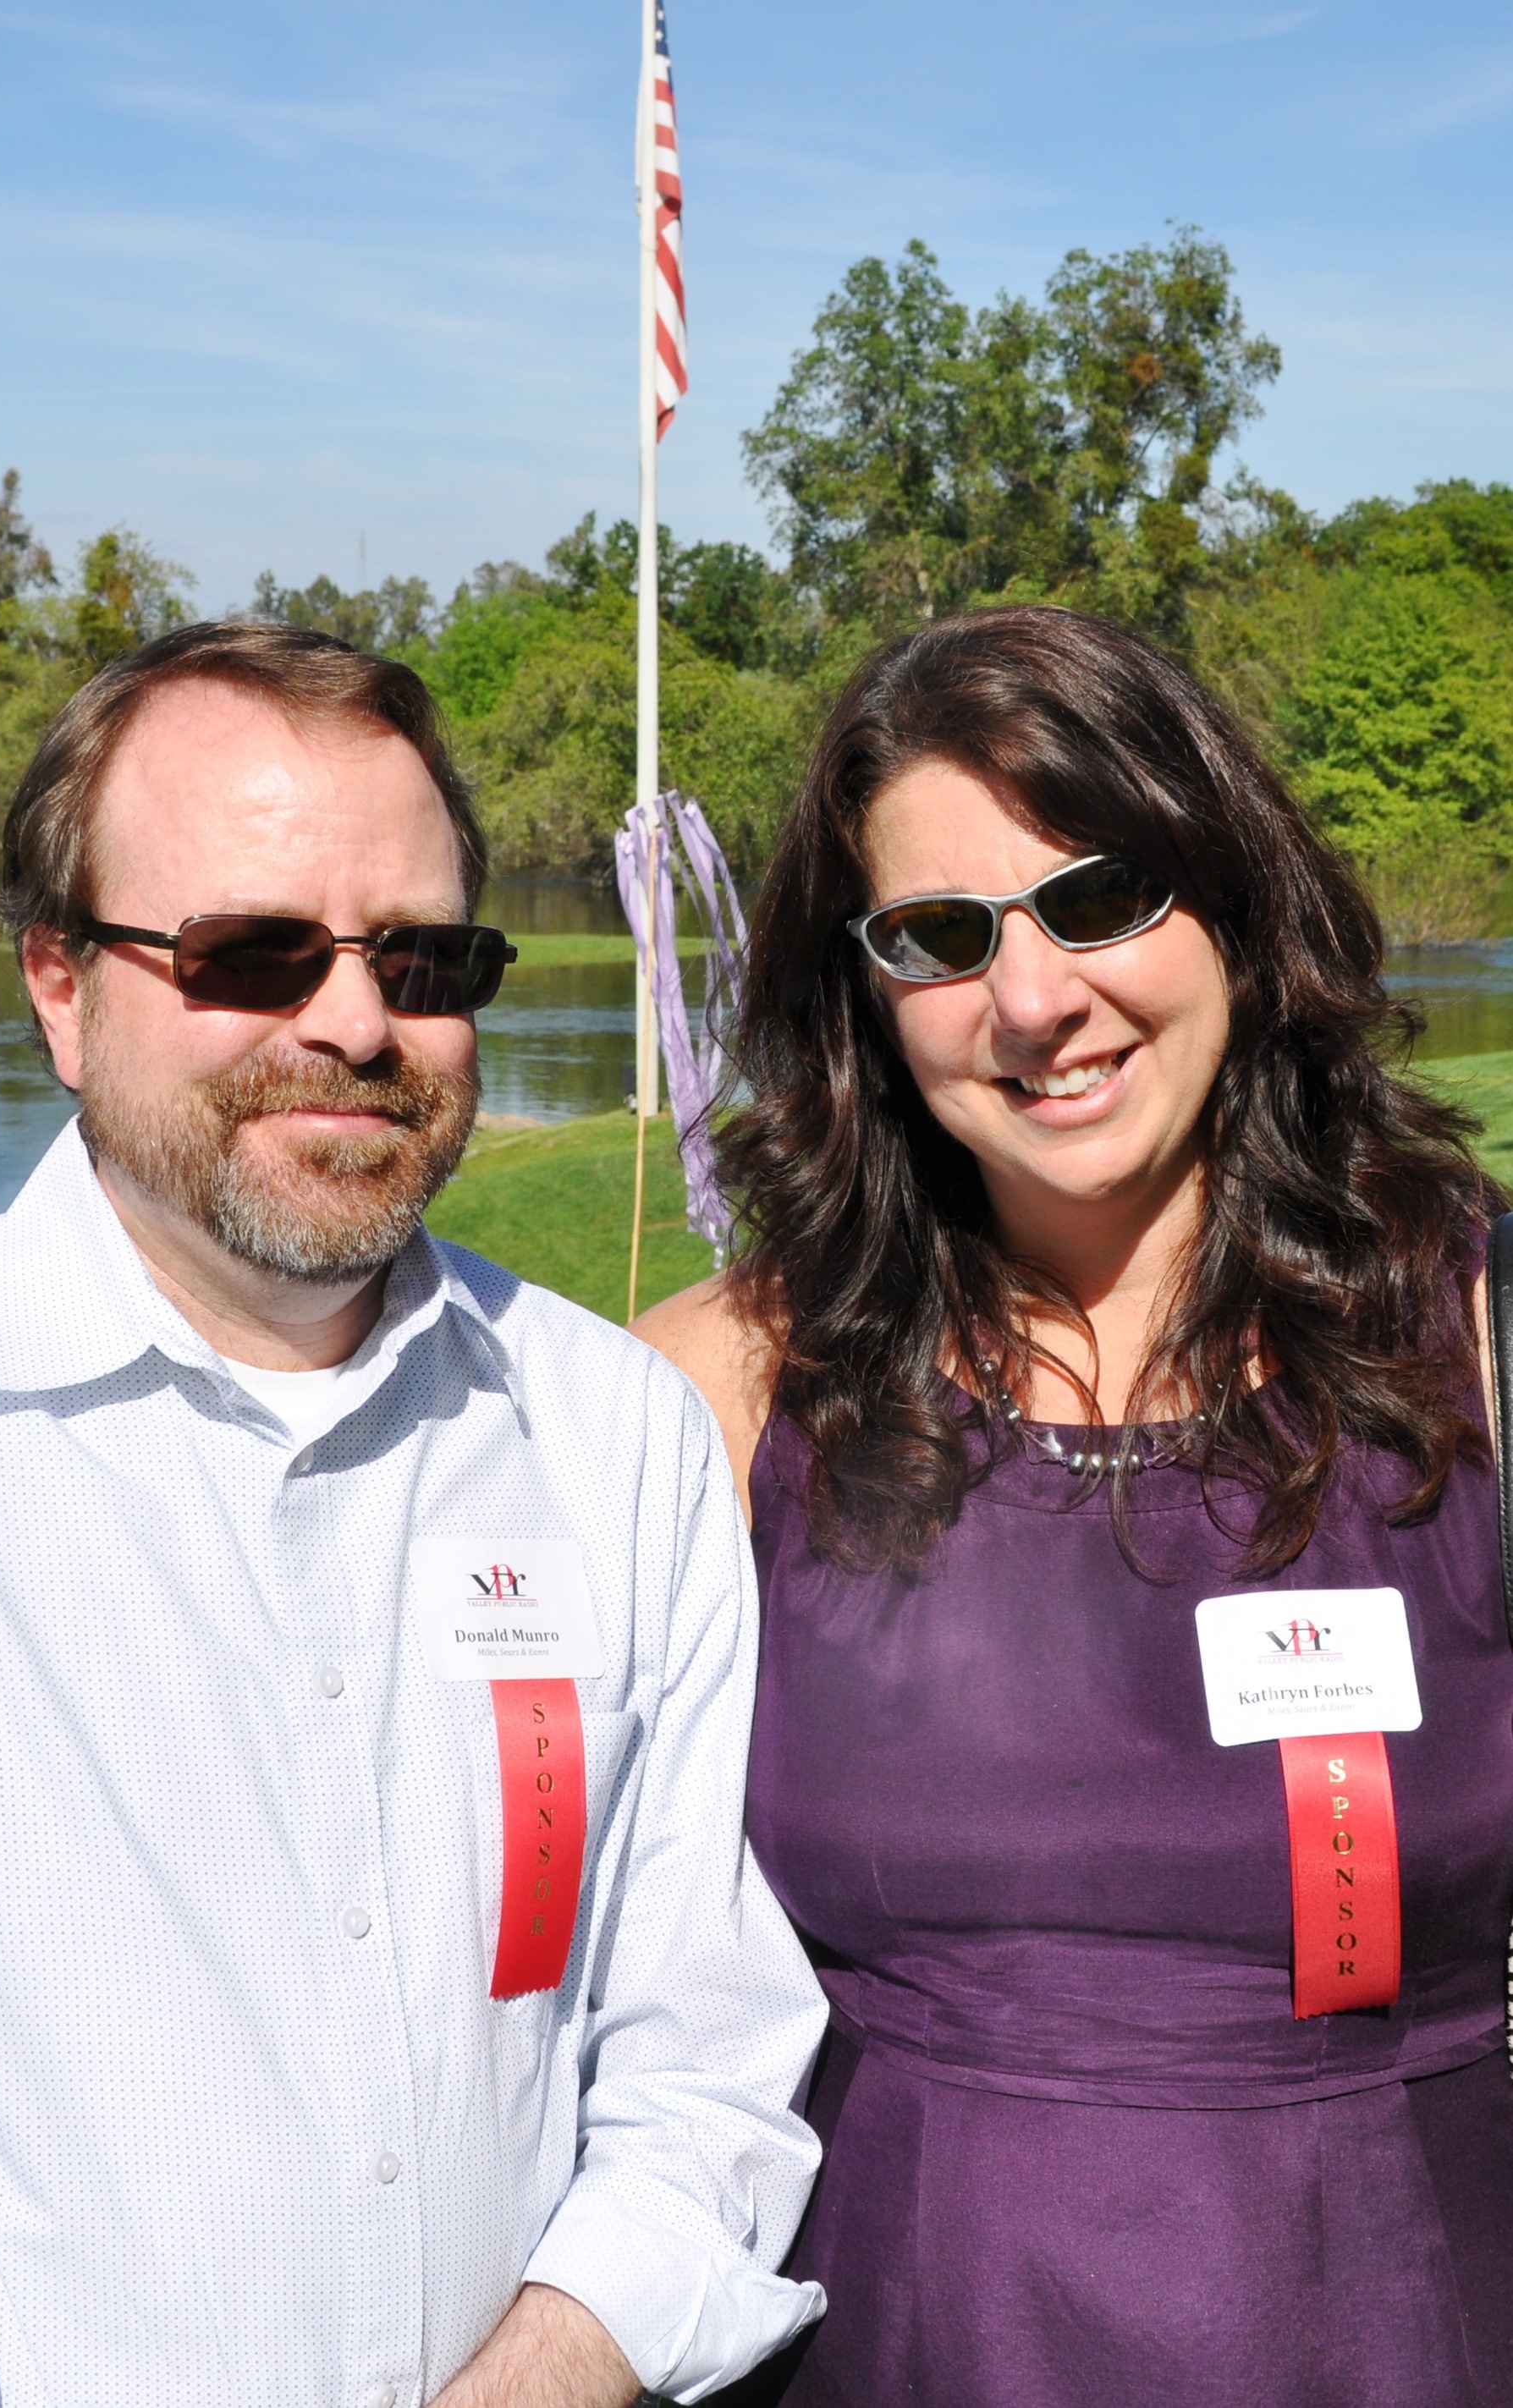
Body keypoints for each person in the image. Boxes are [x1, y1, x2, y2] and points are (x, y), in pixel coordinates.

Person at [0, 621, 826, 2408]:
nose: (350, 1021)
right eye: (250, 953)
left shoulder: (615, 1439)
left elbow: (706, 2054)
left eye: (419, 957)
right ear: (59, 986)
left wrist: (541, 2373)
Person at [638, 607, 1513, 2408]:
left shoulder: (1483, 1337)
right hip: (898, 2344)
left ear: (1237, 904)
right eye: (940, 936)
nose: (1032, 1000)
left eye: (1100, 897)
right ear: (863, 995)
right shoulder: (716, 1388)